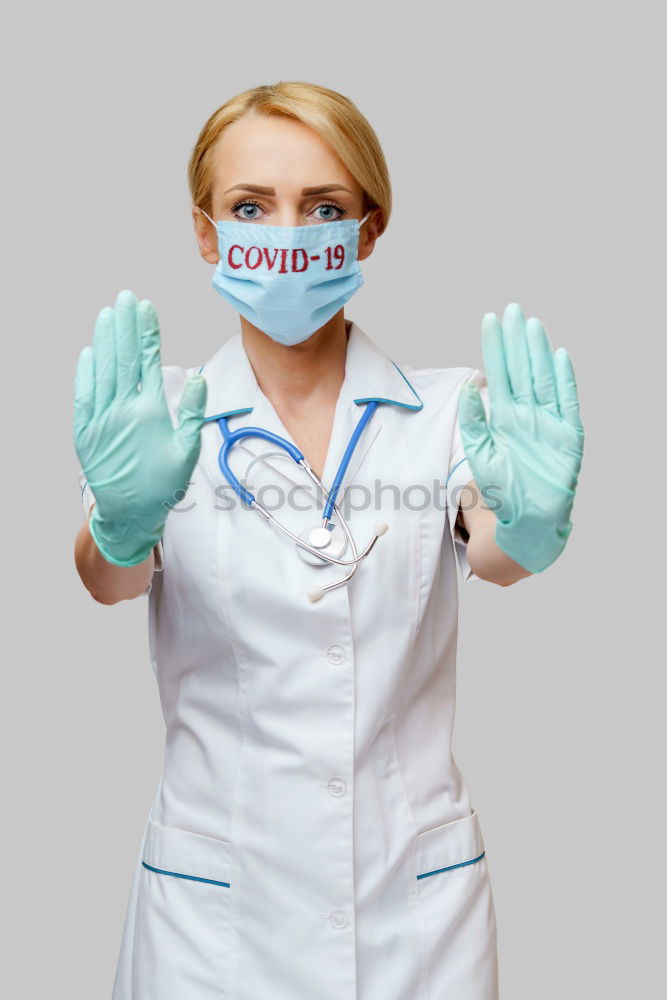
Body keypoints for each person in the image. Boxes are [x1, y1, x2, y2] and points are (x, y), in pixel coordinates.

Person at [73, 81, 584, 1000]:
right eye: (250, 206)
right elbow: (107, 580)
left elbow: (495, 548)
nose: (288, 230)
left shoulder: (446, 410)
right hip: (213, 913)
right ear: (205, 232)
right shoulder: (160, 415)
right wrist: (124, 515)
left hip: (412, 905)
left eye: (324, 206)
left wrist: (536, 526)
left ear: (368, 228)